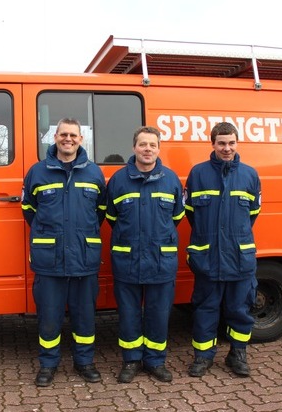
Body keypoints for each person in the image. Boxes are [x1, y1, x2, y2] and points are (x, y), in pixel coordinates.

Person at [21, 118, 107, 387]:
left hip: (84, 258)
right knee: (49, 317)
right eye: (63, 134)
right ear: (55, 137)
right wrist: (49, 235)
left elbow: (101, 211)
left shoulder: (94, 173)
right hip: (50, 259)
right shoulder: (37, 172)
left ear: (81, 139)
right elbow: (29, 209)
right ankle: (48, 365)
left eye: (73, 135)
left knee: (85, 317)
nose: (68, 139)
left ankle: (84, 362)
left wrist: (80, 235)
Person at [105, 126, 185, 383]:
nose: (147, 149)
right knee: (128, 315)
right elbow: (111, 217)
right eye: (143, 144)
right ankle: (131, 361)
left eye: (152, 145)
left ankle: (155, 361)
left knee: (158, 314)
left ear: (159, 149)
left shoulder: (171, 180)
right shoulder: (118, 180)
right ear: (134, 147)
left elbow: (177, 216)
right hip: (127, 260)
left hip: (161, 261)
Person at [184, 121, 261, 378]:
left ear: (237, 143)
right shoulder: (198, 173)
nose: (227, 148)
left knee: (240, 310)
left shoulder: (250, 175)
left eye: (231, 143)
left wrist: (233, 237)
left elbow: (253, 213)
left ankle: (237, 354)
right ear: (213, 144)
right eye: (221, 143)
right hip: (208, 257)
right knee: (205, 309)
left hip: (239, 257)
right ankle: (203, 357)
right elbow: (190, 213)